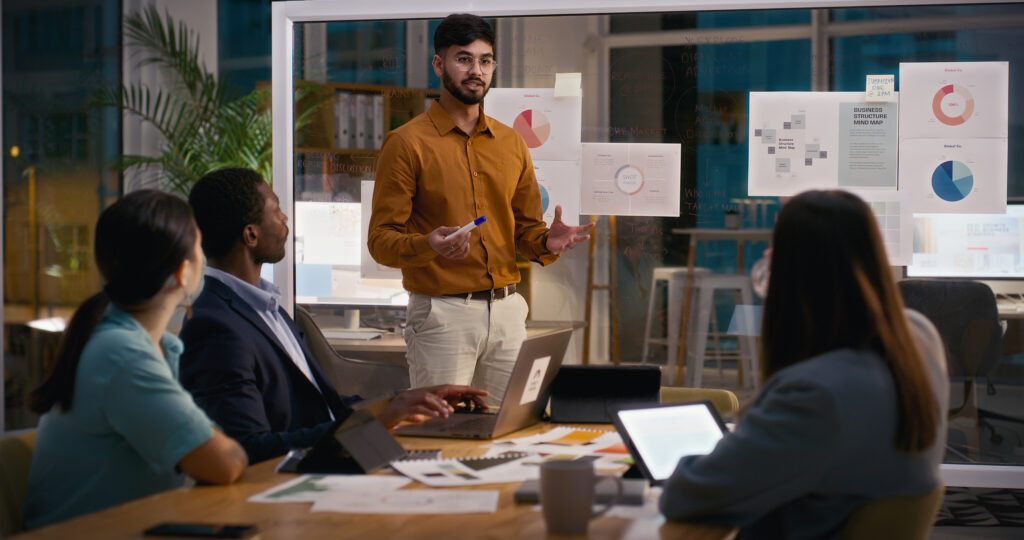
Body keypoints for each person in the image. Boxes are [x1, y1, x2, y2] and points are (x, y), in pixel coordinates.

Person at [659, 190, 950, 538]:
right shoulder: (917, 338)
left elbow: (685, 495)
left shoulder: (814, 396)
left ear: (801, 266)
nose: (766, 255)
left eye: (776, 244)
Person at [180, 167, 488, 464]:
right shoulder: (215, 326)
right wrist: (381, 418)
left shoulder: (267, 309)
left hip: (343, 457)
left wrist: (406, 400)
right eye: (275, 210)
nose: (285, 218)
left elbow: (329, 408)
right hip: (303, 478)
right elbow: (251, 449)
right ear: (251, 235)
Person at [368, 13, 594, 405]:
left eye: (485, 60)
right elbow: (381, 241)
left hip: (508, 314)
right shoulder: (406, 143)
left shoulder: (510, 143)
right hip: (442, 315)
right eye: (464, 59)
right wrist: (428, 245)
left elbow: (525, 233)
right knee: (439, 434)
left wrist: (548, 241)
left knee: (509, 427)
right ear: (439, 64)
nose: (477, 71)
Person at [23, 190, 247, 529]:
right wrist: (216, 443)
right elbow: (224, 462)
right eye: (199, 247)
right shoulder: (121, 354)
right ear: (182, 273)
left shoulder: (135, 344)